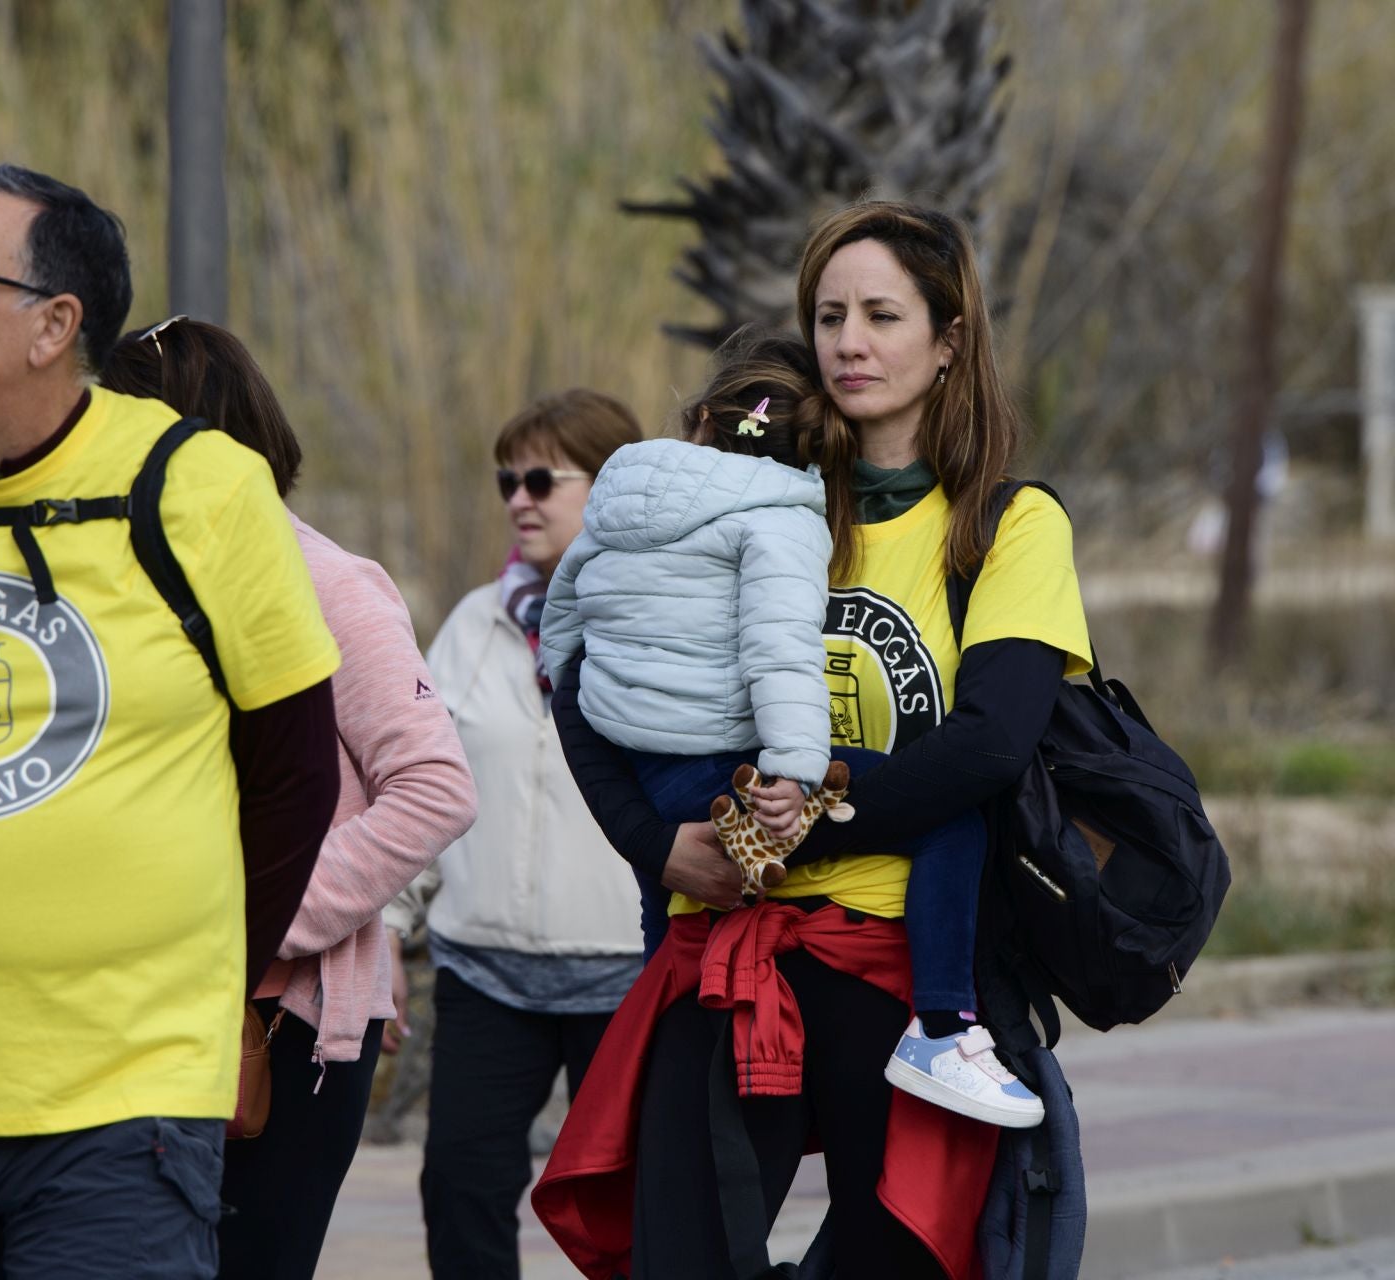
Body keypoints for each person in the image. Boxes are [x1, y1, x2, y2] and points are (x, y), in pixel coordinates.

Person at [0, 164, 343, 1279]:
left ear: (55, 324)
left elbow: (296, 778)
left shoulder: (202, 487)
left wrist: (195, 979)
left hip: (125, 1101)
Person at [532, 201, 1093, 1279]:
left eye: (884, 314)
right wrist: (659, 843)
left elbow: (988, 747)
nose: (850, 340)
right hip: (723, 960)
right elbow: (583, 680)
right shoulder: (751, 498)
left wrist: (784, 824)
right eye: (830, 313)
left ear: (949, 342)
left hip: (902, 979)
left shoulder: (1007, 523)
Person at [537, 332, 1040, 1128]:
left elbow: (564, 616)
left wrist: (559, 674)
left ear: (700, 418)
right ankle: (943, 1027)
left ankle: (652, 1010)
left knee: (660, 895)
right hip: (720, 763)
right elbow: (780, 656)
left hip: (635, 757)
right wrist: (794, 772)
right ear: (817, 451)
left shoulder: (616, 496)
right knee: (952, 821)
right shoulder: (783, 515)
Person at [103, 316, 478, 1280]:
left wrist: (266, 917)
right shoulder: (121, 582)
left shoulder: (327, 582)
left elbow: (435, 786)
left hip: (280, 1029)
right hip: (130, 1001)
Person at [384, 389, 647, 1280]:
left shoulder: (666, 628)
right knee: (459, 1193)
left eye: (541, 478)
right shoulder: (470, 625)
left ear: (610, 486)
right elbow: (420, 788)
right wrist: (386, 929)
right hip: (485, 976)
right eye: (507, 479)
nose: (518, 499)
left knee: (641, 1213)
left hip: (629, 981)